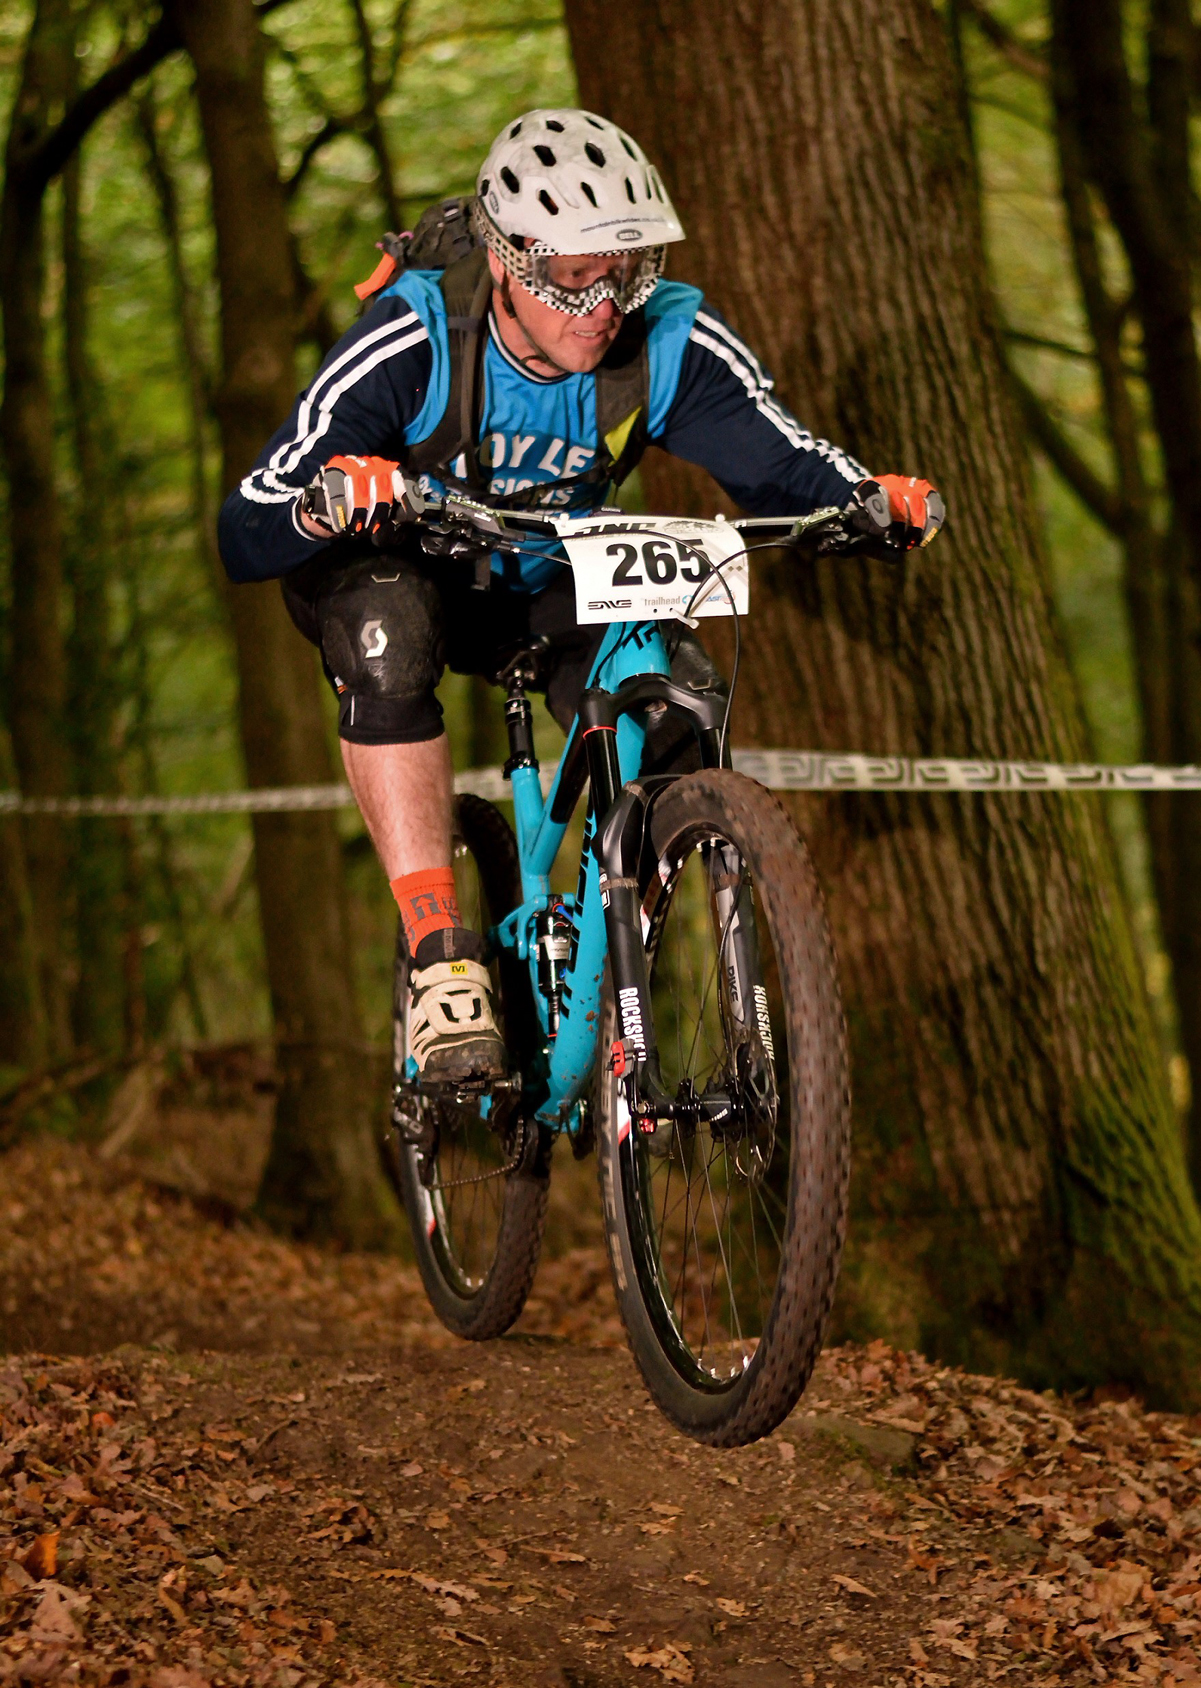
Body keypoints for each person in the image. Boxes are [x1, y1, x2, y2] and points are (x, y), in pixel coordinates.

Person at [219, 108, 942, 1087]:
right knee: (389, 628)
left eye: (626, 270)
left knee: (678, 707)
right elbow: (246, 521)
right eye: (572, 275)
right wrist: (329, 500)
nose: (604, 304)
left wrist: (867, 500)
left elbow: (783, 460)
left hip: (547, 580)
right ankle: (442, 960)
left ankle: (620, 982)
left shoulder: (667, 337)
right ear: (506, 259)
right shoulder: (414, 336)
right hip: (410, 575)